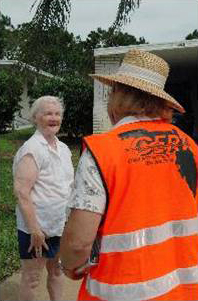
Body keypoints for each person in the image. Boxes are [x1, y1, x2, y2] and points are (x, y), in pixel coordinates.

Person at [59, 49, 198, 301]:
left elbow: (78, 245)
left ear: (118, 97)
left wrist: (66, 265)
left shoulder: (102, 151)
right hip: (184, 291)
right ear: (160, 102)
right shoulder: (190, 146)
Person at [13, 95, 74, 301]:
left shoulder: (63, 149)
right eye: (48, 113)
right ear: (36, 117)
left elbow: (67, 187)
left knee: (57, 271)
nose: (54, 118)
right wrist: (35, 230)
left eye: (57, 114)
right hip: (37, 230)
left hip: (59, 225)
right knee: (32, 278)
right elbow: (22, 192)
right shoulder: (32, 149)